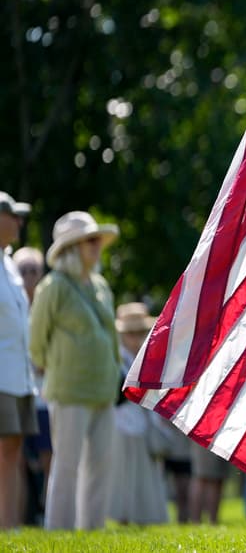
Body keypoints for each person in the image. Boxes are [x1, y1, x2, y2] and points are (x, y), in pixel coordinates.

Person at [29, 210, 120, 530]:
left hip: (103, 389)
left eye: (97, 240)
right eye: (89, 241)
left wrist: (114, 373)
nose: (97, 246)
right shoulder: (53, 286)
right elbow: (36, 337)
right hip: (68, 390)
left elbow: (110, 336)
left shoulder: (100, 285)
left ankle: (91, 530)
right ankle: (59, 530)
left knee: (101, 465)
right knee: (66, 465)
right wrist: (49, 366)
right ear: (72, 247)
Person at [107, 302, 169, 525]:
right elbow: (115, 396)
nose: (135, 338)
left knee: (146, 480)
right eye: (131, 334)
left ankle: (145, 520)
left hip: (146, 426)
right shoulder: (115, 359)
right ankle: (123, 519)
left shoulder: (146, 359)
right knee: (123, 480)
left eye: (140, 333)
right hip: (122, 426)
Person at [0, 192, 37, 529]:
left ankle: (8, 526)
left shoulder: (9, 264)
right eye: (14, 216)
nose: (19, 223)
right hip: (0, 375)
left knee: (13, 452)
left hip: (18, 376)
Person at [13, 246, 49, 526]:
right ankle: (22, 518)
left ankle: (48, 514)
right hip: (18, 393)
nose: (28, 276)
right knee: (18, 461)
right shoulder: (11, 305)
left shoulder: (47, 305)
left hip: (46, 398)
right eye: (22, 270)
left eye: (33, 270)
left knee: (50, 459)